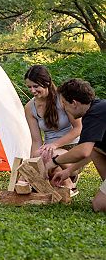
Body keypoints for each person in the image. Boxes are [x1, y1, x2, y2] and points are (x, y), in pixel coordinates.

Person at [45, 79, 106, 212]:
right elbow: (90, 151)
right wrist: (68, 171)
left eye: (64, 104)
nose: (64, 108)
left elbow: (82, 151)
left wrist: (54, 161)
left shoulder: (95, 115)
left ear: (74, 103)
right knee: (95, 149)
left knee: (99, 206)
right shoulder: (96, 108)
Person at [24, 65, 82, 190]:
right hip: (48, 150)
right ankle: (68, 184)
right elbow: (36, 141)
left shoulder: (62, 99)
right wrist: (33, 162)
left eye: (36, 86)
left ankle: (71, 176)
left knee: (47, 155)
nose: (32, 91)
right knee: (38, 157)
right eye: (29, 87)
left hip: (72, 148)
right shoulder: (29, 107)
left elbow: (78, 129)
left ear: (47, 83)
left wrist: (55, 145)